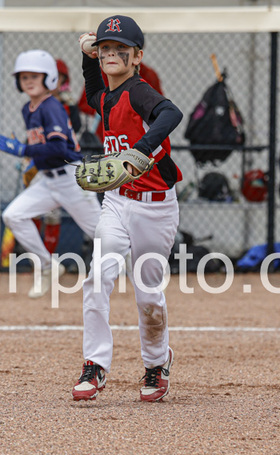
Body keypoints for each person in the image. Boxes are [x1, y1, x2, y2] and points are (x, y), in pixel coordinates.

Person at [71, 15, 183, 403]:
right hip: (118, 202)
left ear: (137, 57)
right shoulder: (106, 97)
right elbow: (92, 92)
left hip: (156, 208)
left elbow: (171, 114)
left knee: (148, 294)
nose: (111, 54)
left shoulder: (138, 91)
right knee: (97, 277)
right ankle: (95, 364)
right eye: (105, 49)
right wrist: (87, 56)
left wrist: (141, 149)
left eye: (121, 49)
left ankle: (156, 362)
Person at [0, 49, 102, 299]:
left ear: (49, 78)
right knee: (13, 215)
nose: (29, 81)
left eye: (35, 76)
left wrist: (23, 150)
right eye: (24, 77)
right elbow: (43, 148)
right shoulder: (28, 109)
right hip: (47, 180)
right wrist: (29, 158)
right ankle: (47, 265)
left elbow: (58, 148)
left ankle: (146, 267)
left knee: (104, 236)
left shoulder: (51, 106)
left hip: (71, 179)